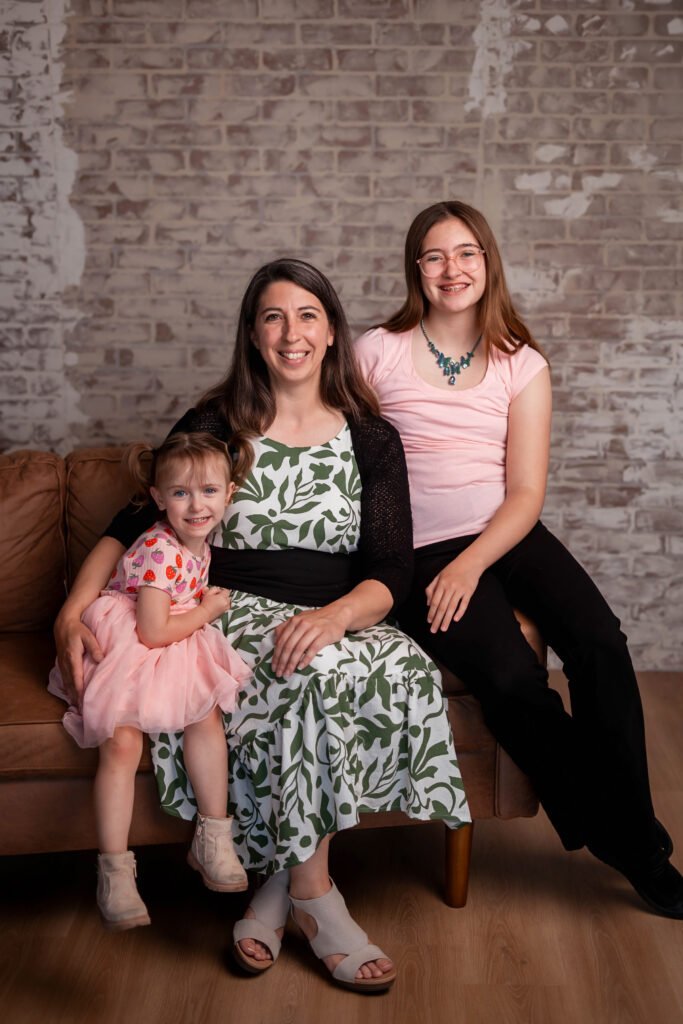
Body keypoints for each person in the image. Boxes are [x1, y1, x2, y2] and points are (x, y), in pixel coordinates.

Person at [54, 258, 471, 992]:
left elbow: (390, 571)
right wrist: (68, 610)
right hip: (231, 607)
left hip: (341, 606)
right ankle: (318, 901)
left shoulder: (371, 436)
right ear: (252, 334)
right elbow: (130, 524)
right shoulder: (220, 422)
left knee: (399, 666)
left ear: (332, 331)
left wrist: (337, 617)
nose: (292, 332)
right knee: (301, 675)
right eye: (273, 316)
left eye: (308, 315)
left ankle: (275, 886)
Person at [354, 199, 683, 920]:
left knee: (601, 643)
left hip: (503, 531)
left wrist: (472, 565)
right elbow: (335, 451)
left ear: (487, 261)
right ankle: (633, 848)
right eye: (435, 255)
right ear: (416, 268)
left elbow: (526, 491)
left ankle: (628, 826)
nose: (452, 268)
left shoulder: (521, 362)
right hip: (416, 550)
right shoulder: (375, 351)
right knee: (509, 678)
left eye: (466, 252)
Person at [48, 432, 252, 930]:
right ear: (159, 499)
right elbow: (152, 630)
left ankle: (214, 836)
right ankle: (114, 870)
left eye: (208, 491)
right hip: (132, 636)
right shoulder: (160, 549)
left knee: (205, 715)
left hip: (167, 630)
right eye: (180, 493)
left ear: (229, 494)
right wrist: (206, 610)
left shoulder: (200, 538)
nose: (196, 505)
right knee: (120, 742)